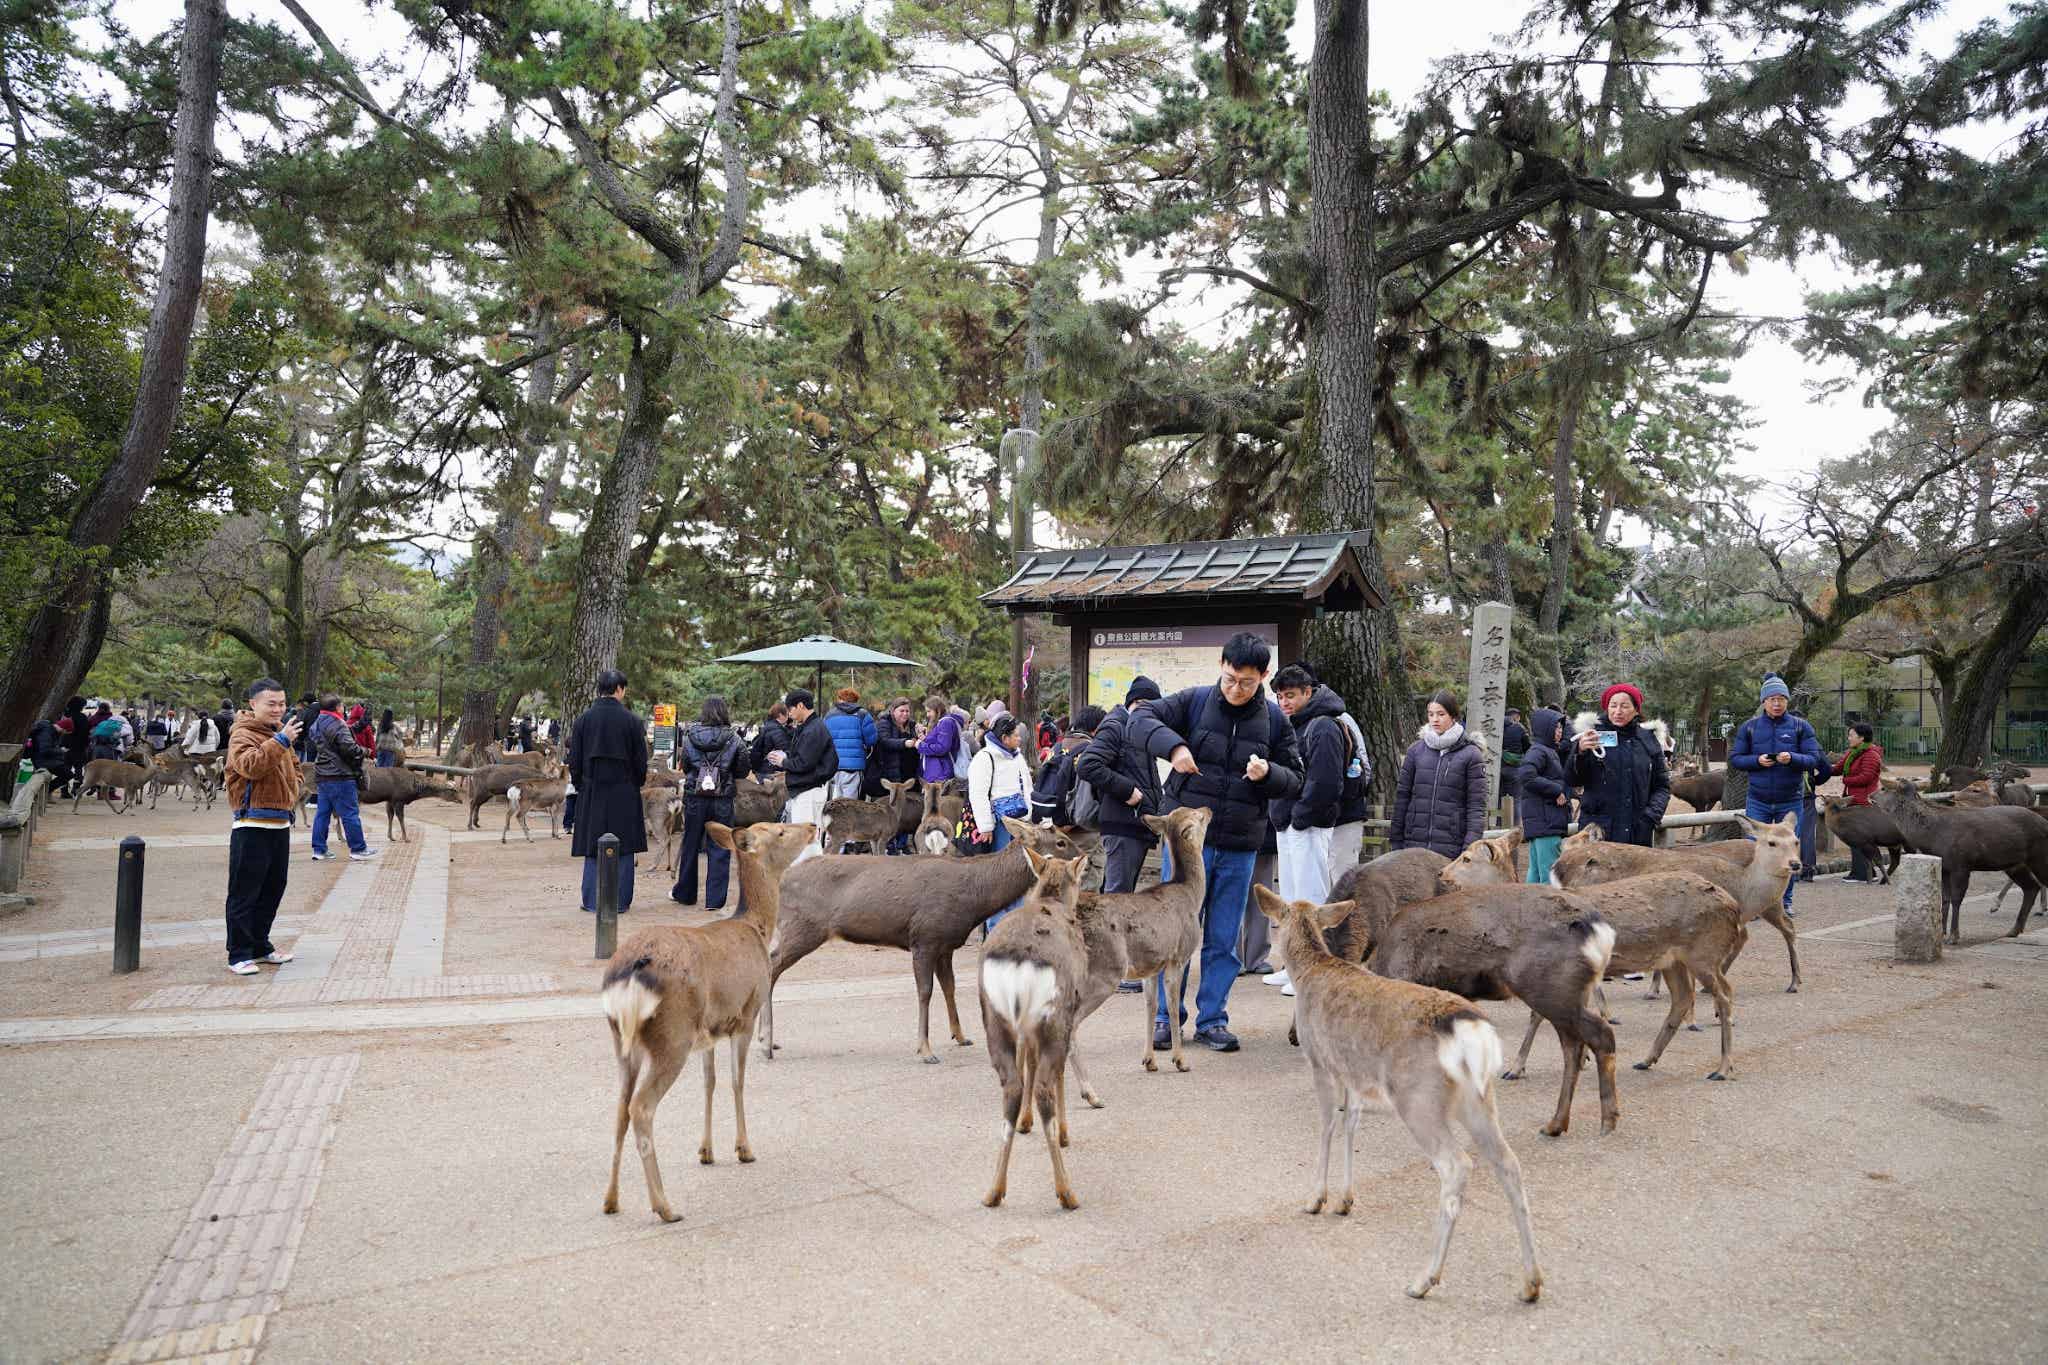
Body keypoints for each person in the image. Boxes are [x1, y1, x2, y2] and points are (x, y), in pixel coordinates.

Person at [1124, 631, 1303, 1054]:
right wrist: (1174, 746)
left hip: (1240, 843)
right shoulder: (1195, 701)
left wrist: (1269, 774)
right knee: (1175, 933)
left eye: (1246, 682)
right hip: (1187, 846)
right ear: (1221, 666)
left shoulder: (1276, 721)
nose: (1235, 689)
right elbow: (1138, 720)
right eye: (1228, 678)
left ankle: (1213, 1019)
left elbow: (1296, 777)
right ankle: (1168, 1019)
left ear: (1263, 675)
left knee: (1224, 936)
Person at [1262, 664, 1372, 995]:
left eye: (1291, 695)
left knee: (1311, 899)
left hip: (1308, 823)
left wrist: (1300, 815)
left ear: (1308, 692)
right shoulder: (1293, 725)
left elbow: (1325, 782)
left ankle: (1313, 968)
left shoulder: (1324, 726)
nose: (1284, 701)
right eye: (1280, 696)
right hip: (1289, 822)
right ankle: (1294, 964)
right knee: (1293, 901)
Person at [222, 678, 305, 976]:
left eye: (282, 703)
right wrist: (281, 740)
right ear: (253, 704)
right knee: (245, 891)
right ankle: (238, 953)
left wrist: (294, 786)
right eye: (271, 703)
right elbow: (250, 766)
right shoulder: (242, 734)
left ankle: (260, 945)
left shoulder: (278, 734)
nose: (278, 709)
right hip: (251, 823)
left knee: (272, 888)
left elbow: (294, 767)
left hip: (280, 822)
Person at [1728, 674, 1824, 912]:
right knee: (1755, 852)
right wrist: (1757, 761)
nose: (1777, 703)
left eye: (1781, 698)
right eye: (1772, 699)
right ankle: (1754, 901)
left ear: (1787, 701)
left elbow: (1813, 758)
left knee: (1788, 853)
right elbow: (1736, 759)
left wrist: (1792, 759)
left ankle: (1785, 902)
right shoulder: (1749, 728)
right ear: (1764, 702)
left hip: (1790, 801)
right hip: (1757, 800)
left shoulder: (1801, 727)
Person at [569, 669, 649, 913]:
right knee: (624, 847)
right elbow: (640, 762)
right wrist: (635, 783)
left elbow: (574, 761)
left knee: (592, 845)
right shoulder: (633, 722)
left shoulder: (583, 720)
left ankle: (591, 900)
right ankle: (620, 901)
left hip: (592, 790)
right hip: (624, 791)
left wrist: (582, 785)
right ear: (620, 689)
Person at [671, 696, 751, 911]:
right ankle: (715, 900)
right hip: (722, 798)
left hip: (695, 797)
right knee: (720, 846)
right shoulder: (734, 739)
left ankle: (686, 893)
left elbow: (686, 766)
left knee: (690, 844)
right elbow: (743, 769)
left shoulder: (690, 737)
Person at [1568, 683, 1671, 848]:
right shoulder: (1591, 736)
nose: (1618, 711)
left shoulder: (1647, 740)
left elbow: (1662, 786)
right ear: (1606, 707)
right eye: (1613, 705)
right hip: (1597, 831)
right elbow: (1572, 780)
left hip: (1637, 832)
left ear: (1636, 709)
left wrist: (1650, 817)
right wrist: (1579, 752)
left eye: (1624, 706)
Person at [1390, 690, 1489, 859]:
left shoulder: (1471, 754)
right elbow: (1402, 798)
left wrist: (1469, 848)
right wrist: (1396, 840)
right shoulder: (1415, 751)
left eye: (1441, 714)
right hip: (1414, 844)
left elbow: (1476, 806)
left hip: (1452, 845)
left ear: (1453, 716)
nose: (1435, 719)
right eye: (1431, 714)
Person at [966, 712, 1035, 932]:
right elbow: (977, 793)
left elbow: (1027, 787)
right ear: (1004, 737)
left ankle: (1016, 925)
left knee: (1017, 875)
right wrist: (985, 826)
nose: (1019, 738)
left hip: (1020, 823)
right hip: (999, 825)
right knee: (999, 878)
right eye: (1015, 735)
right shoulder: (985, 758)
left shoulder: (1016, 756)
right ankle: (996, 929)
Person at [306, 693, 376, 862]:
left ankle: (319, 850)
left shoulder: (317, 724)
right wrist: (365, 751)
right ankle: (358, 848)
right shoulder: (337, 724)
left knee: (322, 813)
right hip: (340, 776)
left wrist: (364, 722)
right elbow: (349, 747)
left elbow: (346, 732)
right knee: (350, 813)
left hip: (323, 775)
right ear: (337, 707)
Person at [773, 689, 837, 846]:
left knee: (804, 839)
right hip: (806, 788)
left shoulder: (813, 729)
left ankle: (808, 869)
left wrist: (783, 762)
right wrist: (786, 757)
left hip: (809, 791)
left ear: (800, 705)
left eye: (790, 709)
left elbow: (804, 763)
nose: (789, 713)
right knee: (806, 838)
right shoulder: (808, 727)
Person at [1517, 707, 1572, 883]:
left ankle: (1528, 906)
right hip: (1547, 821)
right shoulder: (1539, 751)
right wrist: (1556, 790)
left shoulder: (1546, 750)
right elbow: (1526, 775)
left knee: (1535, 872)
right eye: (1557, 728)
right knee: (1550, 873)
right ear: (1545, 729)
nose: (1560, 731)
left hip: (1541, 822)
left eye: (1561, 728)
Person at [1030, 704, 1103, 826]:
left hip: (1048, 815)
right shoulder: (1090, 751)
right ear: (1096, 729)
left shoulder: (1057, 747)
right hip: (1075, 824)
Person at [1833, 721, 1884, 882]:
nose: (1849, 738)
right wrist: (1818, 764)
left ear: (1861, 738)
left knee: (1860, 838)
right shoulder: (1853, 752)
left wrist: (1846, 780)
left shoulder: (1871, 754)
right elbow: (1837, 768)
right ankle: (1862, 872)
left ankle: (1862, 874)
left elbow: (1867, 777)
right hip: (1853, 801)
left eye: (1851, 735)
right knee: (1856, 839)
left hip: (1863, 803)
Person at [824, 687, 876, 801]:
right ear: (855, 700)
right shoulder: (863, 714)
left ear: (840, 699)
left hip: (833, 767)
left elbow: (823, 740)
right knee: (850, 806)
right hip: (854, 767)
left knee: (834, 804)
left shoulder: (829, 715)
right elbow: (871, 740)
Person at [916, 694, 966, 787]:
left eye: (929, 711)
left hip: (940, 772)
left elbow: (942, 748)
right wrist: (925, 739)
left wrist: (920, 746)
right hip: (937, 770)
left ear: (937, 710)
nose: (927, 715)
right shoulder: (942, 722)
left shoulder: (945, 722)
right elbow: (939, 741)